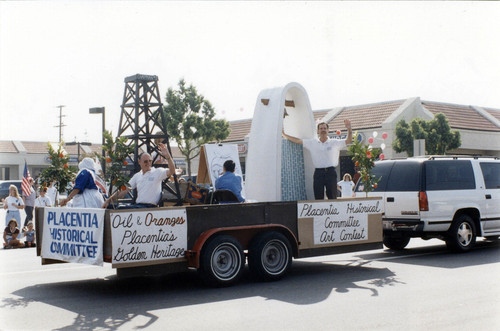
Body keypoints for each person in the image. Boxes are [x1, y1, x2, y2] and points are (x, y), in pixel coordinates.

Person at [282, 119, 352, 200]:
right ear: (318, 131)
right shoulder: (312, 143)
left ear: (328, 130)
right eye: (321, 128)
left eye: (325, 128)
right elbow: (298, 141)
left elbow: (349, 140)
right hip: (318, 172)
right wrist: (284, 134)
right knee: (318, 196)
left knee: (332, 196)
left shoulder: (334, 142)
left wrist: (349, 129)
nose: (323, 130)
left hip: (331, 172)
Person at [102, 143, 176, 208]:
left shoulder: (157, 172)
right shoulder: (137, 176)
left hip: (150, 207)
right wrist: (109, 201)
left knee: (120, 209)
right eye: (145, 161)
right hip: (139, 206)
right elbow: (124, 190)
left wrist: (168, 157)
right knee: (111, 207)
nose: (148, 163)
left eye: (150, 161)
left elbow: (172, 171)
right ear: (139, 161)